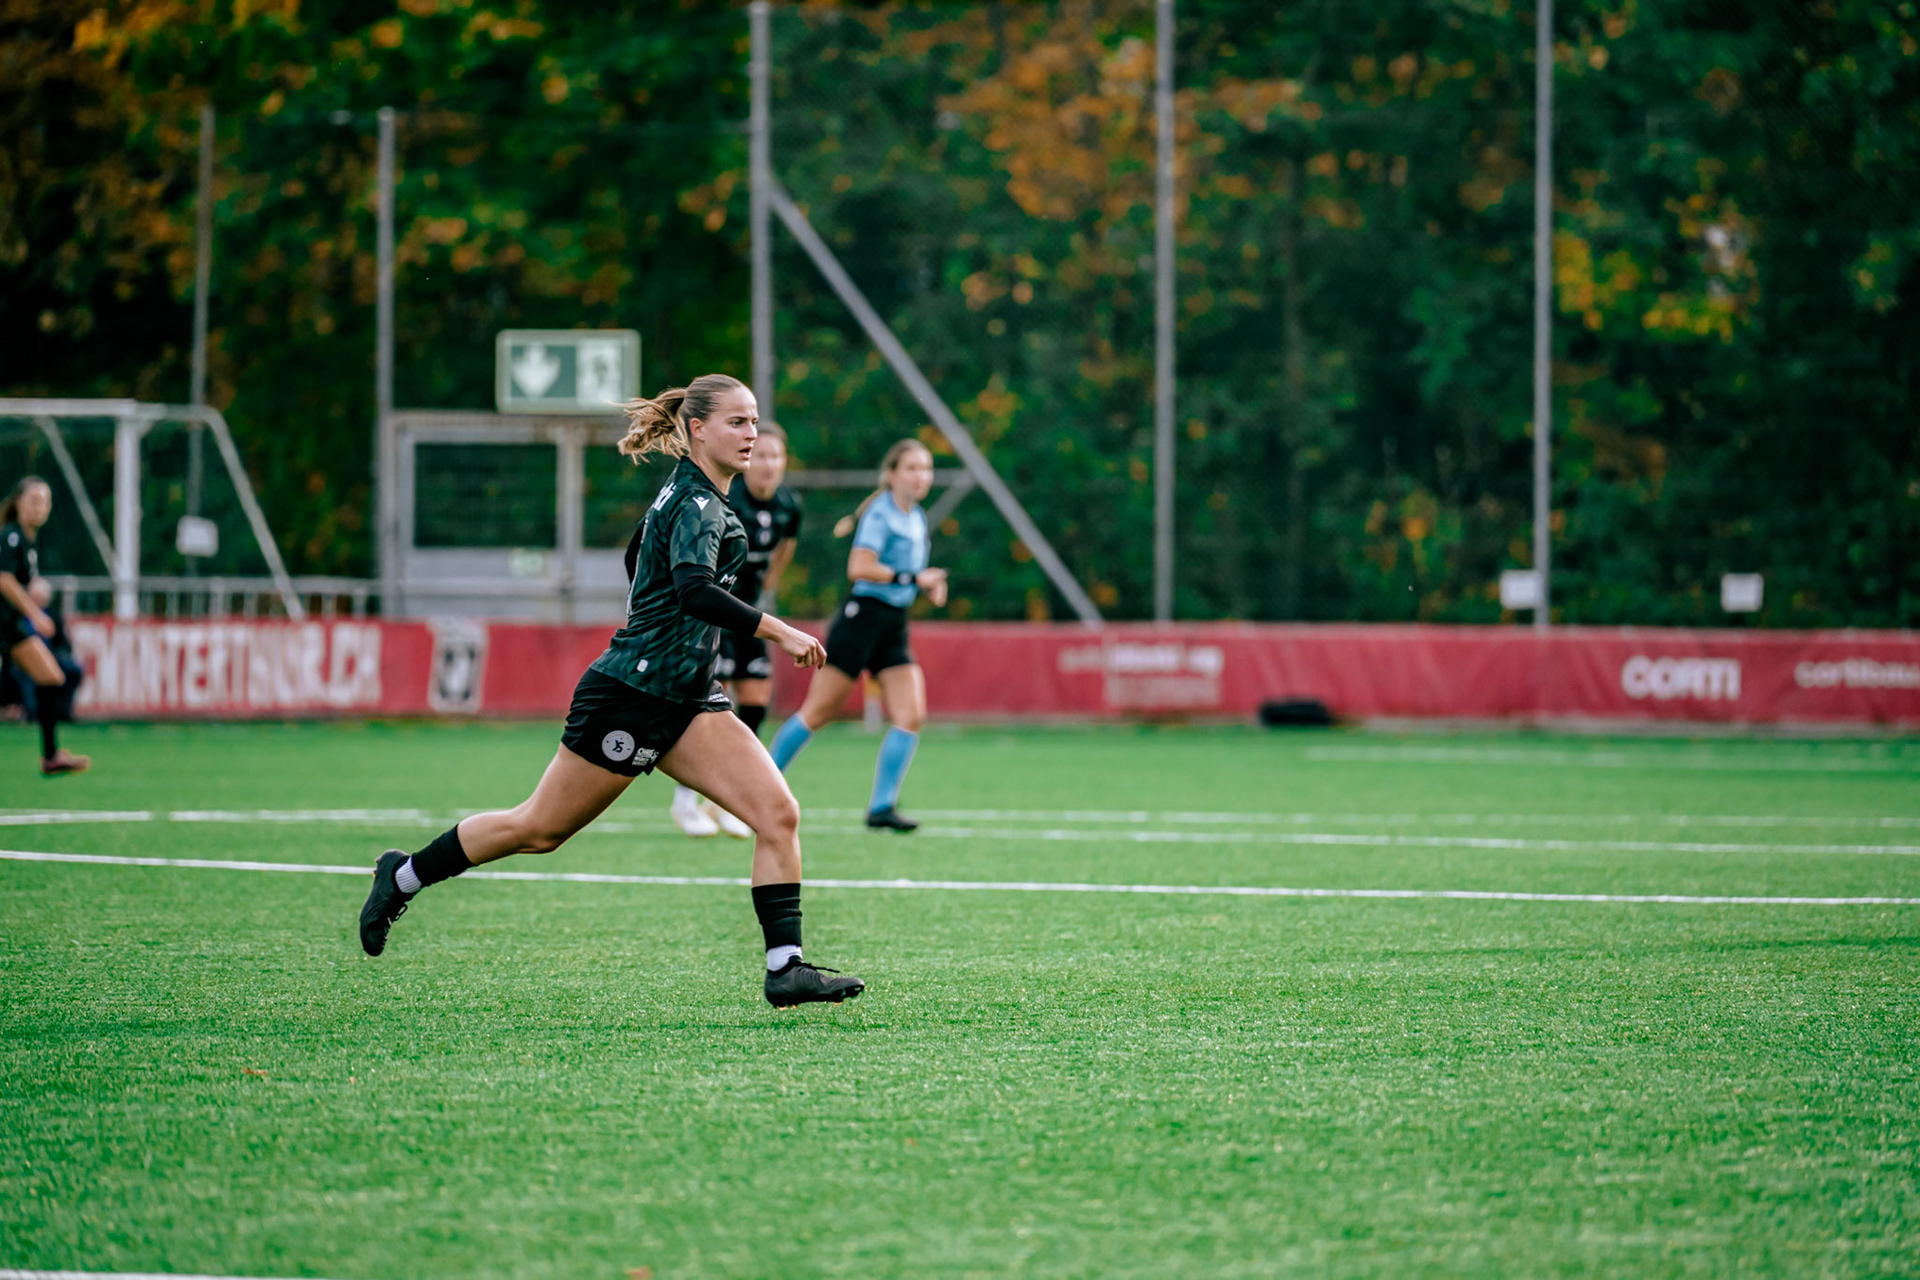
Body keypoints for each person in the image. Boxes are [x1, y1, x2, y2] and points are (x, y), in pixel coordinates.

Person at [358, 374, 864, 1008]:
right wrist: (778, 631)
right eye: (738, 423)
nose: (752, 434)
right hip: (630, 694)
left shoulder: (693, 497)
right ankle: (402, 876)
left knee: (778, 814)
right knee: (538, 829)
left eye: (755, 421)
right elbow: (693, 589)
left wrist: (671, 630)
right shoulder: (697, 504)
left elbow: (638, 561)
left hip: (687, 698)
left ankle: (785, 968)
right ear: (698, 429)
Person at [766, 439, 947, 832]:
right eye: (913, 468)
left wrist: (925, 585)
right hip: (861, 619)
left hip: (892, 624)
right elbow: (859, 567)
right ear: (892, 474)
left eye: (927, 469)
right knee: (818, 712)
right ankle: (759, 785)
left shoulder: (914, 516)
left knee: (910, 715)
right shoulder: (881, 514)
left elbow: (903, 576)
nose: (921, 477)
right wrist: (913, 578)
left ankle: (881, 807)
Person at [670, 422, 804, 839]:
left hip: (754, 615)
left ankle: (722, 802)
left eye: (776, 457)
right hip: (719, 612)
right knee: (714, 702)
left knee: (756, 700)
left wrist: (769, 584)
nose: (768, 464)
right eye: (761, 455)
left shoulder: (789, 505)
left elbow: (786, 546)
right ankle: (686, 798)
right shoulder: (730, 500)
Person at [0, 476, 89, 776]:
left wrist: (37, 588)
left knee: (51, 676)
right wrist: (35, 613)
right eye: (34, 500)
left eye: (45, 502)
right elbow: (4, 579)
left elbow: (19, 578)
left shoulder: (27, 541)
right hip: (6, 623)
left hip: (10, 627)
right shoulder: (10, 535)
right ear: (19, 503)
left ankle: (51, 757)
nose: (41, 508)